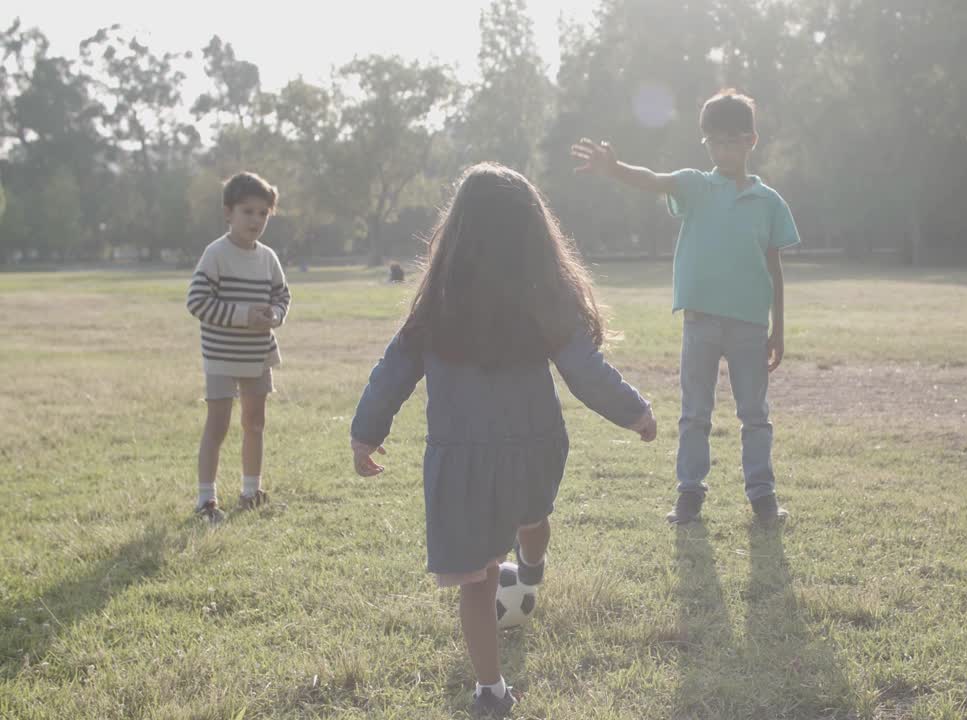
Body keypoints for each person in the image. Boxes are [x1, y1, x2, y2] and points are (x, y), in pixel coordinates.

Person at [349, 163, 657, 718]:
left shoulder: (435, 307)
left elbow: (389, 374)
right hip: (534, 448)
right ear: (534, 234)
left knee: (477, 577)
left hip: (461, 461)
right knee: (532, 516)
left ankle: (490, 689)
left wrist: (365, 435)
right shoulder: (542, 300)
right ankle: (532, 569)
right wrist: (635, 413)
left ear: (457, 230)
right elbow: (587, 373)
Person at [571, 88, 800, 526]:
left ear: (752, 140)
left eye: (731, 140)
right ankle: (689, 496)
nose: (721, 149)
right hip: (700, 323)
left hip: (751, 326)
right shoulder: (696, 185)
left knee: (755, 416)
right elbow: (654, 179)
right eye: (713, 141)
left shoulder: (768, 202)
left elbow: (775, 269)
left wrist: (779, 330)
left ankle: (763, 497)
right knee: (695, 413)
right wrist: (615, 168)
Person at [186, 172, 290, 523]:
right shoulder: (215, 254)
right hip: (221, 355)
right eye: (248, 211)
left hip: (257, 355)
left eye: (263, 213)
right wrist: (245, 315)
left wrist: (274, 315)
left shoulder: (268, 258)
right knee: (217, 426)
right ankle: (206, 501)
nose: (256, 220)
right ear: (228, 213)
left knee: (255, 423)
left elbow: (282, 296)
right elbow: (198, 302)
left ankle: (251, 492)